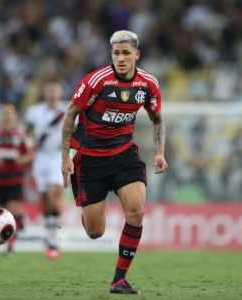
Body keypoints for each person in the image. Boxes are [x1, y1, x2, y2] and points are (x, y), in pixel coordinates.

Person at [61, 30, 168, 294]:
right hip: (92, 160)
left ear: (136, 55)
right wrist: (66, 156)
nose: (121, 58)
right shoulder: (96, 81)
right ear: (111, 54)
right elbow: (70, 115)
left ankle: (119, 279)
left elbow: (157, 120)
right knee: (95, 232)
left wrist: (160, 151)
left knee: (136, 211)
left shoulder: (147, 84)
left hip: (123, 156)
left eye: (126, 53)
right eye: (116, 53)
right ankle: (88, 206)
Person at [25, 79, 66, 259]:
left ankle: (52, 240)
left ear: (60, 92)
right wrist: (29, 143)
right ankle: (50, 236)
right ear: (44, 92)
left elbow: (78, 131)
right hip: (40, 157)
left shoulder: (67, 111)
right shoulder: (35, 111)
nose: (51, 93)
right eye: (49, 90)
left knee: (53, 193)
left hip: (57, 157)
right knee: (44, 198)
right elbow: (26, 132)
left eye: (54, 90)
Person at [0, 101, 32, 257]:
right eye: (4, 112)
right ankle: (20, 220)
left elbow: (29, 155)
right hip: (0, 177)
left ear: (14, 115)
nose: (7, 115)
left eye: (9, 112)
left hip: (16, 176)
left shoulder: (21, 134)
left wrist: (21, 160)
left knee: (12, 209)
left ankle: (10, 246)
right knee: (4, 211)